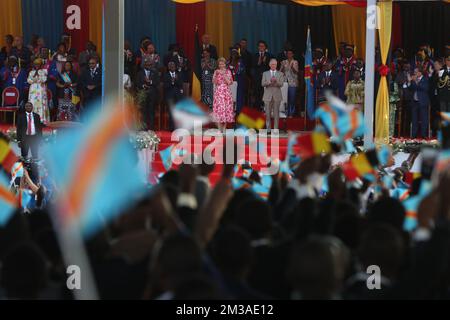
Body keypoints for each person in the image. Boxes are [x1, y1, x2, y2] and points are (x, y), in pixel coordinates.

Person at [136, 57, 160, 130]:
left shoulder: (155, 72)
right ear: (144, 65)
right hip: (143, 93)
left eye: (150, 65)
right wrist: (143, 85)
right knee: (144, 110)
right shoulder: (140, 73)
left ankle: (151, 128)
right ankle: (144, 127)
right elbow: (137, 83)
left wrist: (150, 82)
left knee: (151, 110)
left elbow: (157, 82)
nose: (148, 66)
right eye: (147, 64)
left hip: (152, 93)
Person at [406, 67, 430, 138]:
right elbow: (410, 89)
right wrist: (410, 81)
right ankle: (413, 135)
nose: (414, 73)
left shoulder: (425, 79)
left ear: (420, 72)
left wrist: (416, 81)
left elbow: (425, 88)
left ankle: (424, 135)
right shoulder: (414, 80)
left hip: (423, 102)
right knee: (414, 119)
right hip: (414, 102)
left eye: (416, 72)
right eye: (414, 72)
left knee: (424, 119)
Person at [262, 59, 284, 132]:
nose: (273, 66)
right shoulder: (265, 73)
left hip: (277, 95)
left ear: (276, 65)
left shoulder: (280, 73)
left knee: (276, 114)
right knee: (267, 113)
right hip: (267, 96)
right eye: (272, 64)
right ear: (269, 65)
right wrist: (269, 82)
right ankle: (268, 130)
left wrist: (276, 81)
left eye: (275, 64)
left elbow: (281, 84)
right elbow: (262, 83)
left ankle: (275, 130)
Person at [212, 57, 234, 132]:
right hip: (219, 92)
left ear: (225, 64)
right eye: (220, 64)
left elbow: (229, 82)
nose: (221, 65)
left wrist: (223, 74)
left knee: (226, 110)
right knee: (218, 110)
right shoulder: (216, 71)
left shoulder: (228, 72)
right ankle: (219, 128)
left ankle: (224, 128)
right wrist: (216, 74)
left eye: (222, 64)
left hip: (226, 92)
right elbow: (214, 82)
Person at [27, 58, 50, 125]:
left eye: (38, 64)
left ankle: (42, 120)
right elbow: (29, 80)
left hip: (40, 90)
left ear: (41, 65)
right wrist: (35, 78)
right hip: (33, 91)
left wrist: (37, 77)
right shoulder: (31, 72)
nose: (36, 65)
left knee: (41, 104)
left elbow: (44, 79)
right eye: (35, 64)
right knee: (32, 103)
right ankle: (32, 120)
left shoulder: (44, 71)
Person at [252, 41, 272, 110]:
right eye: (260, 46)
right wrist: (259, 62)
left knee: (265, 92)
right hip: (257, 77)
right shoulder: (255, 55)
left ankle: (264, 107)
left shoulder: (269, 55)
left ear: (265, 47)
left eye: (263, 46)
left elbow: (271, 66)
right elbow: (253, 66)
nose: (261, 47)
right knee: (257, 92)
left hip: (266, 77)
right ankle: (257, 107)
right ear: (258, 47)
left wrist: (265, 62)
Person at [280, 49, 299, 117]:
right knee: (285, 99)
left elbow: (296, 72)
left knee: (292, 99)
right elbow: (280, 72)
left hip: (293, 83)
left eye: (291, 53)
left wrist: (292, 68)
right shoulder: (283, 62)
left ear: (293, 54)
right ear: (286, 54)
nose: (289, 55)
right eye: (288, 53)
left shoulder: (295, 62)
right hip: (284, 82)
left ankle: (291, 113)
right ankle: (285, 113)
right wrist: (282, 68)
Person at [227, 48, 246, 115]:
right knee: (230, 95)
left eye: (235, 54)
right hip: (229, 81)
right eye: (232, 54)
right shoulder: (228, 61)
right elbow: (225, 70)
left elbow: (242, 70)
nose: (233, 55)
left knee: (238, 96)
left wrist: (234, 69)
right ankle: (230, 110)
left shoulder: (240, 61)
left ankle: (238, 111)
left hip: (238, 81)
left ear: (237, 55)